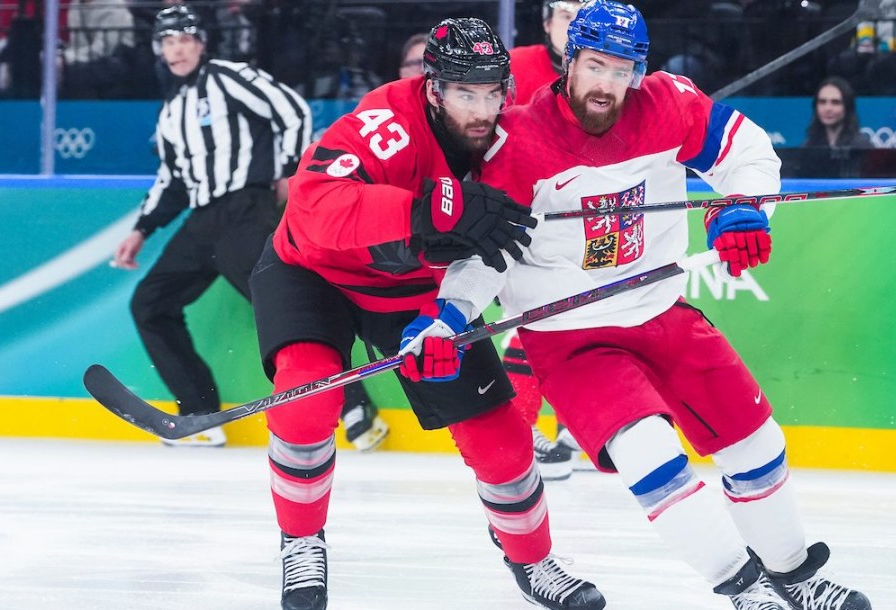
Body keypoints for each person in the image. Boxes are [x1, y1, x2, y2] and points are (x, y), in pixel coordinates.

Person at [401, 2, 873, 609]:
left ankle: (795, 576)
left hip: (664, 313)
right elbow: (491, 253)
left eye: (623, 70)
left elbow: (750, 154)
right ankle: (743, 588)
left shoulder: (669, 103)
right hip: (574, 338)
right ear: (569, 61)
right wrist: (452, 315)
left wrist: (748, 206)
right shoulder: (516, 141)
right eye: (596, 65)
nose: (607, 85)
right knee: (651, 455)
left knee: (759, 444)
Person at [247, 17, 604, 610]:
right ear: (433, 88)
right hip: (313, 271)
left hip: (416, 297)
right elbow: (312, 205)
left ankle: (534, 559)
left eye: (493, 92)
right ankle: (301, 540)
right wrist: (428, 209)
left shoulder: (509, 142)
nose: (482, 108)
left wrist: (450, 318)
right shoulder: (388, 122)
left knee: (503, 443)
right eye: (466, 92)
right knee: (306, 396)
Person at [112, 5, 310, 447]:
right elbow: (172, 181)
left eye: (184, 39)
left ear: (201, 43)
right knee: (150, 304)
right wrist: (141, 229)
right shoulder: (170, 113)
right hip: (203, 221)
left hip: (246, 210)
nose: (176, 49)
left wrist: (289, 170)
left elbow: (292, 109)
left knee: (281, 306)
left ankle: (349, 407)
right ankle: (200, 412)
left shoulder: (228, 76)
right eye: (168, 41)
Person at [504, 0, 589, 481]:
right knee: (530, 319)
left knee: (590, 318)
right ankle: (520, 431)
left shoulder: (608, 69)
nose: (573, 23)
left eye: (583, 13)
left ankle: (578, 427)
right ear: (546, 23)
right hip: (526, 217)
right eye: (565, 14)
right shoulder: (516, 66)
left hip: (586, 219)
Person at [795, 76, 871, 178]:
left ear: (847, 107)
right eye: (822, 102)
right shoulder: (808, 146)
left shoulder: (861, 146)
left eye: (835, 102)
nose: (828, 108)